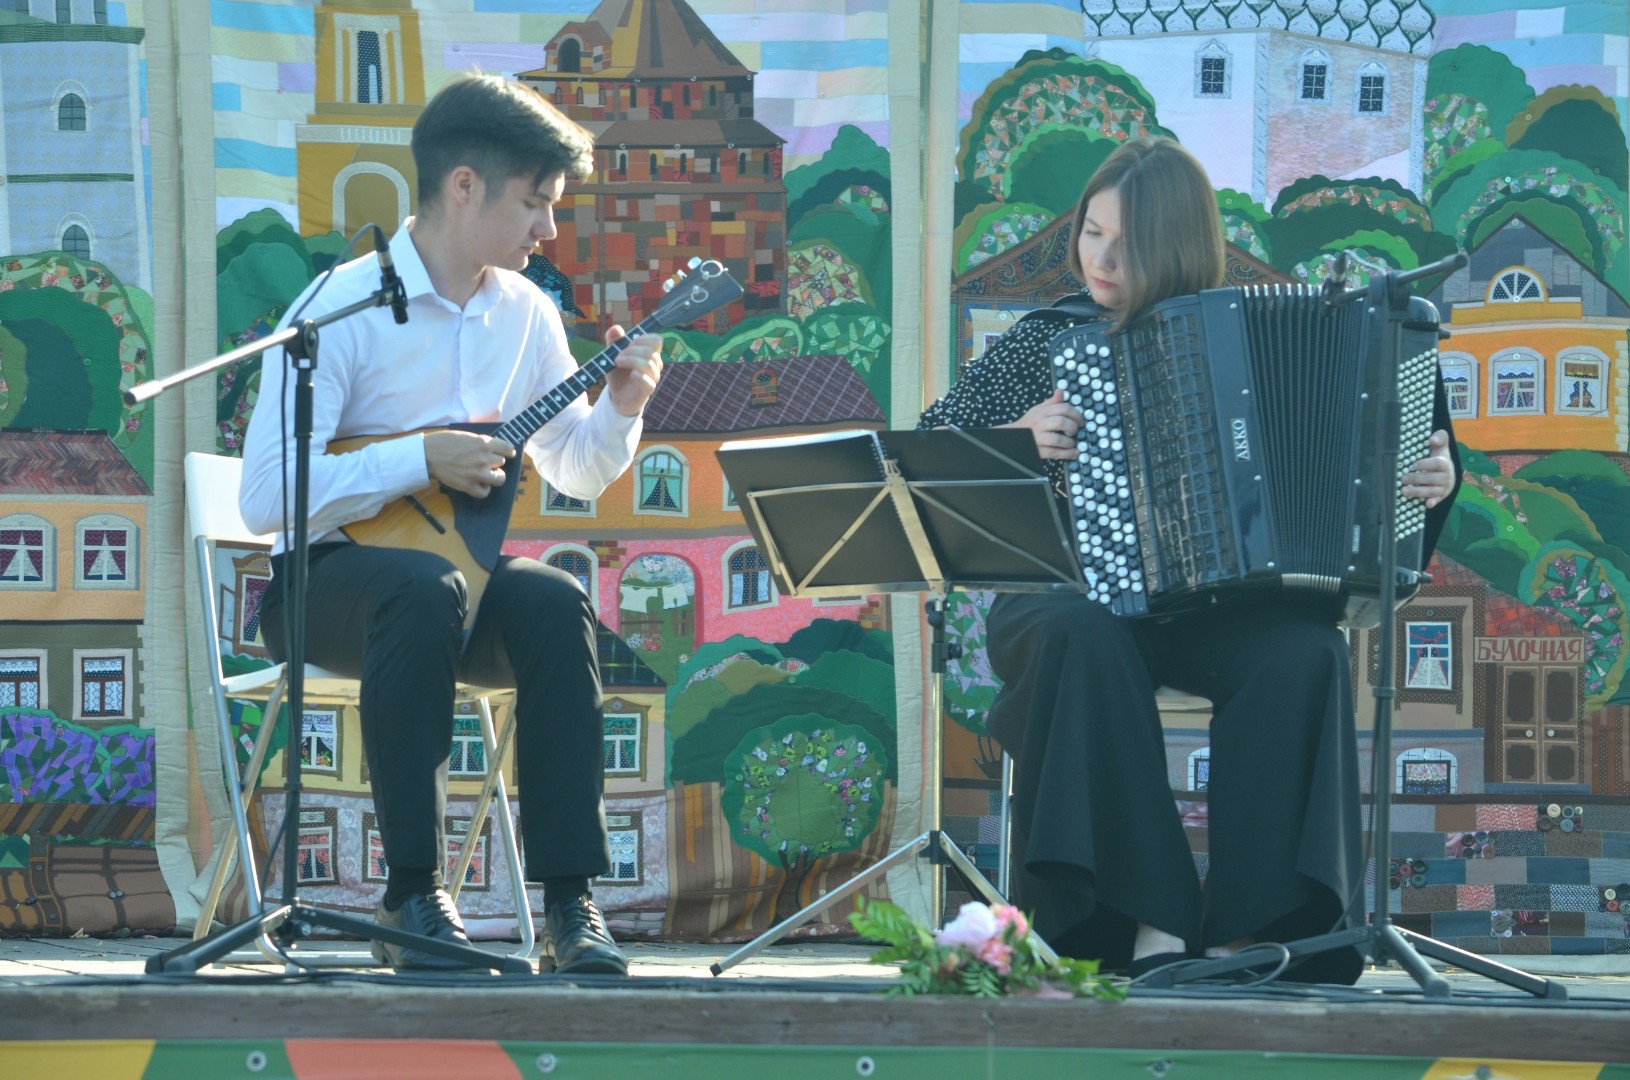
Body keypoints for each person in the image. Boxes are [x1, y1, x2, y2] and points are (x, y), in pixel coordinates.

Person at [918, 137, 1460, 984]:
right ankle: (1145, 920)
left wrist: (1428, 481)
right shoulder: (1046, 339)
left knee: (1304, 653)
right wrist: (1015, 440)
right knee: (1081, 635)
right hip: (1075, 594)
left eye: (1126, 242)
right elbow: (926, 456)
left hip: (1222, 607)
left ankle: (1258, 932)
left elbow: (1392, 457)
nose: (1100, 259)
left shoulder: (1262, 326)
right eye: (1092, 231)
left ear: (1177, 244)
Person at [240, 74, 665, 975]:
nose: (549, 229)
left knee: (553, 600)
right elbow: (266, 498)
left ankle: (571, 907)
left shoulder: (527, 313)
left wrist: (622, 408)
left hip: (449, 588)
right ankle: (413, 893)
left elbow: (575, 468)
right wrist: (417, 459)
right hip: (323, 588)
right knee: (423, 589)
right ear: (465, 185)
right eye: (536, 202)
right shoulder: (339, 306)